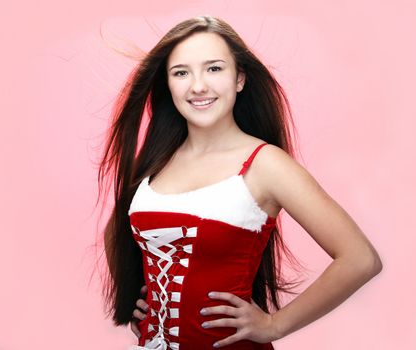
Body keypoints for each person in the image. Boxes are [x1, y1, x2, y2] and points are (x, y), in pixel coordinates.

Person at [97, 15, 382, 350]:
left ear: (240, 79)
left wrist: (275, 325)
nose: (198, 85)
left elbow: (360, 258)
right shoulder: (154, 162)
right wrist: (136, 299)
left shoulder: (266, 164)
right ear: (168, 84)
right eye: (181, 72)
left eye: (214, 69)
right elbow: (117, 230)